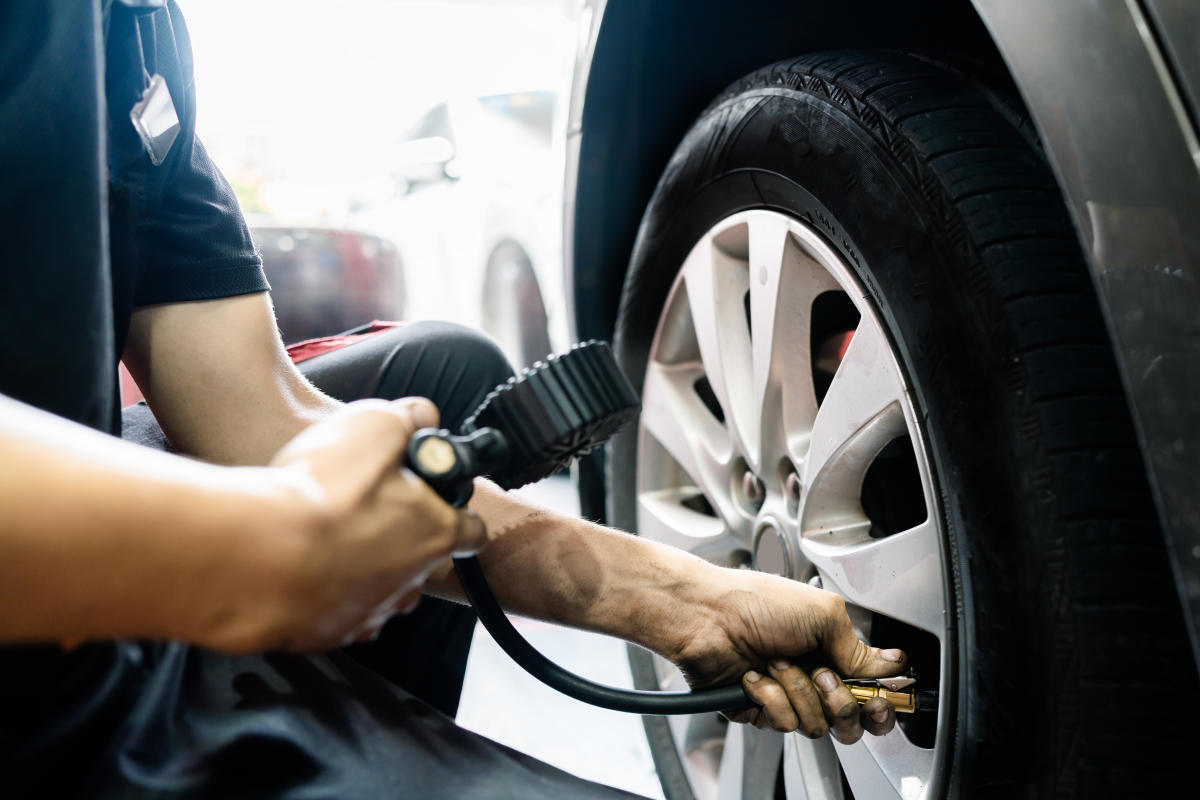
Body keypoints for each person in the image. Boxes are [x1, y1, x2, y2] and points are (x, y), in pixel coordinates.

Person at [0, 1, 906, 796]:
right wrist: (257, 547)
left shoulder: (131, 36)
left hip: (103, 560)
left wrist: (692, 600)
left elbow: (260, 420)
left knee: (443, 372)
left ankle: (339, 726)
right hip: (45, 681)